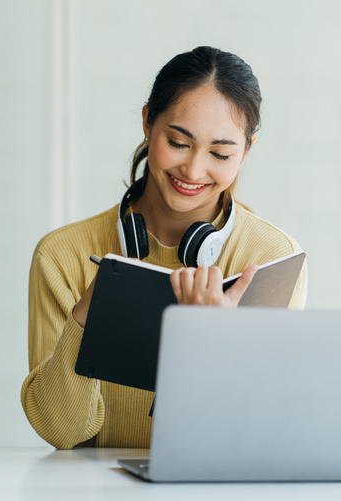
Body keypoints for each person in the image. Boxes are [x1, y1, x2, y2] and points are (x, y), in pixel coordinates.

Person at [21, 46, 307, 449]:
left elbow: (265, 435)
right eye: (177, 142)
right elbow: (61, 431)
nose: (192, 170)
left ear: (246, 151)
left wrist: (222, 346)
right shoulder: (63, 255)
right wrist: (85, 321)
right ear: (147, 122)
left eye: (221, 153)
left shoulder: (271, 256)